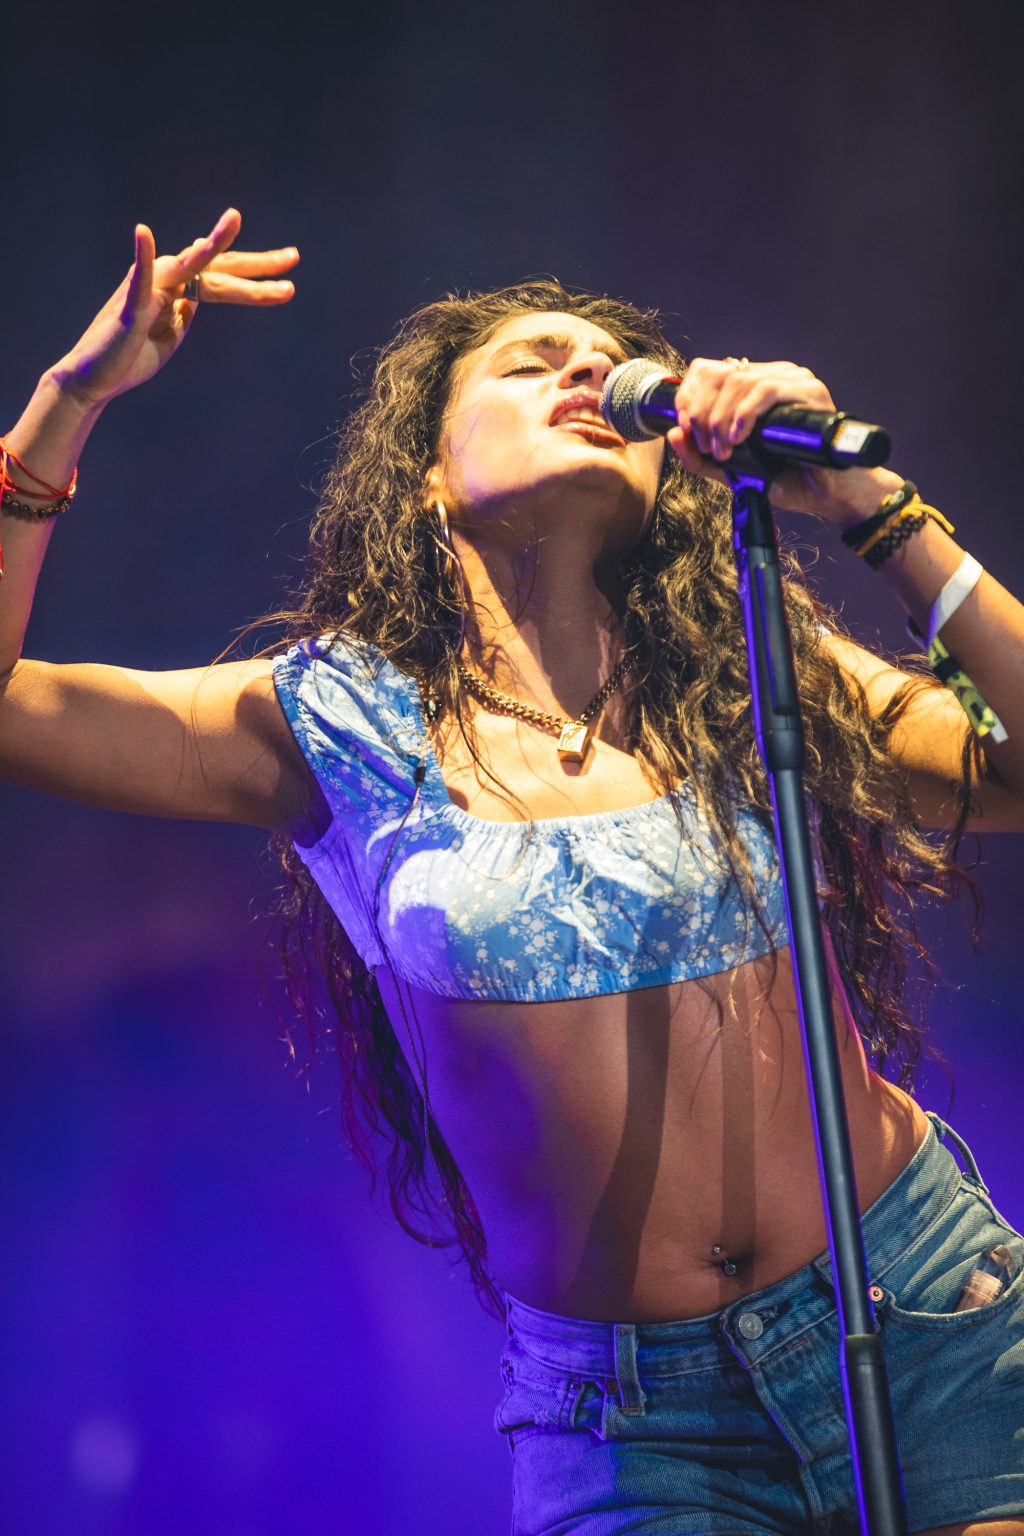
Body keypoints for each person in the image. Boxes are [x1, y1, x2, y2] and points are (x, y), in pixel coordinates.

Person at [2, 207, 1023, 1536]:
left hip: (918, 1310)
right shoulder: (333, 722)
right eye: (533, 361)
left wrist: (878, 509)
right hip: (638, 1430)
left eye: (612, 371)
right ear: (426, 475)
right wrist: (63, 406)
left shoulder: (750, 672)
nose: (585, 379)